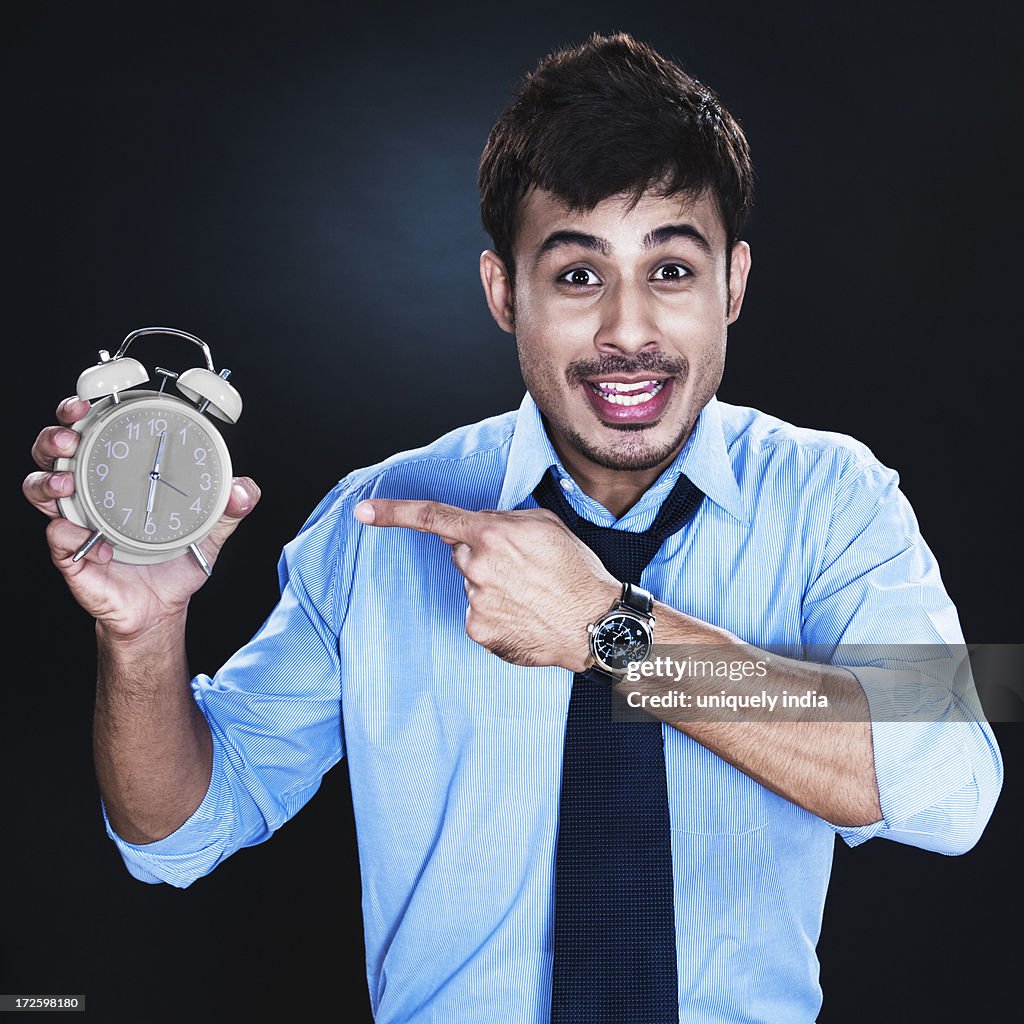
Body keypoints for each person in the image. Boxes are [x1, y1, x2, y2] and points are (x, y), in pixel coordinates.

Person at [24, 31, 1002, 1024]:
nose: (628, 330)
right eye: (578, 276)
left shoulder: (837, 497)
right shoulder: (376, 524)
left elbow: (952, 785)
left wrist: (611, 636)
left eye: (670, 269)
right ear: (505, 293)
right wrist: (141, 639)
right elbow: (174, 833)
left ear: (732, 285)